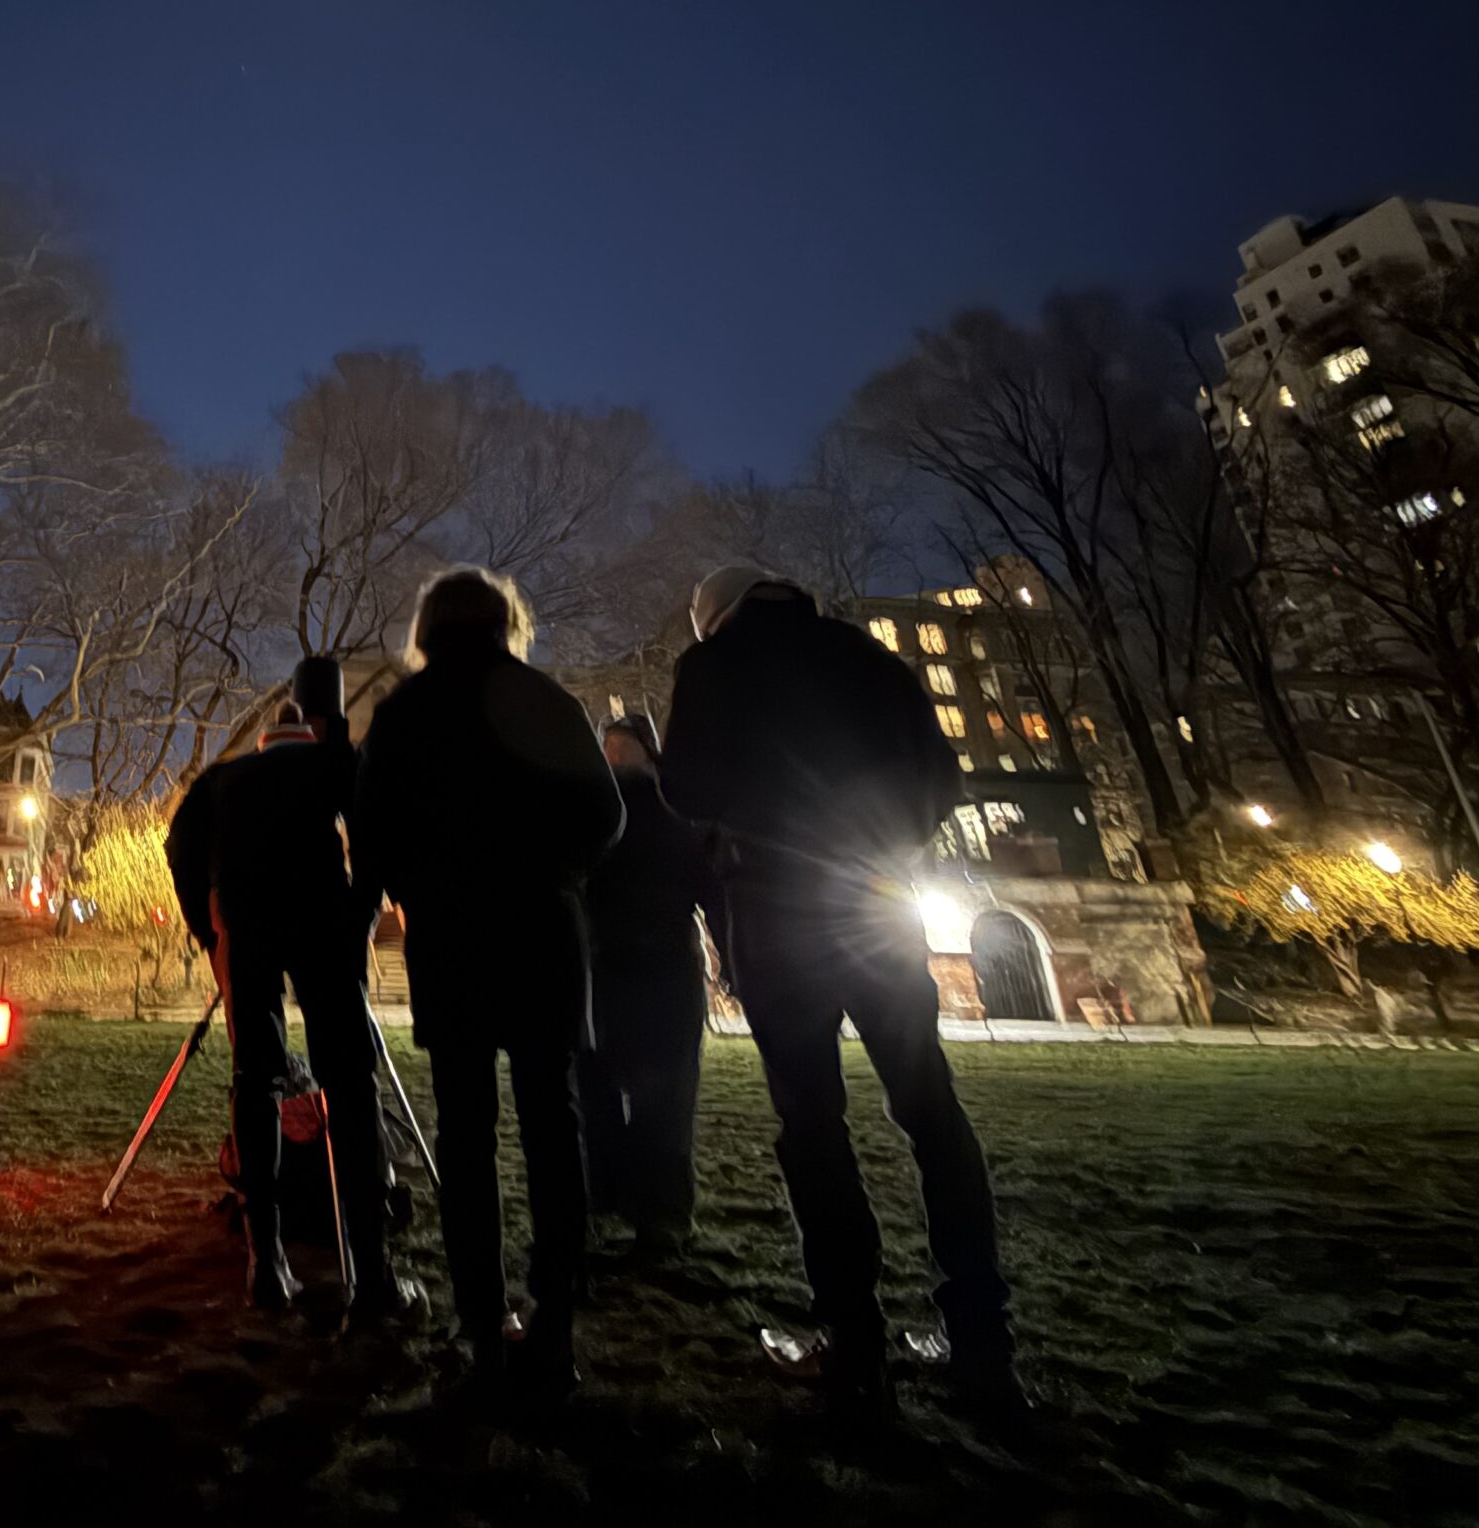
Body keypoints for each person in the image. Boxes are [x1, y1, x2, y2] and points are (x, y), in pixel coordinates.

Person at [660, 564, 1020, 1418]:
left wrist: (744, 830)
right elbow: (942, 779)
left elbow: (684, 788)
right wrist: (884, 841)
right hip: (874, 899)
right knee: (931, 1107)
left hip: (776, 908)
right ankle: (980, 1338)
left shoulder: (712, 668)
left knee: (812, 1123)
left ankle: (852, 1341)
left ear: (714, 619)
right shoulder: (868, 658)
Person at [352, 568, 623, 1394]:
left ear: (428, 627)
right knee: (552, 1120)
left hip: (452, 934)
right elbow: (607, 816)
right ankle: (556, 1320)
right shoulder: (546, 700)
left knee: (465, 1133)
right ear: (507, 621)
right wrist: (560, 873)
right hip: (544, 929)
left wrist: (406, 889)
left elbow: (370, 832)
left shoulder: (403, 714)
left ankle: (481, 1322)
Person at [168, 662, 424, 1324]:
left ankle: (267, 1264)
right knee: (349, 1080)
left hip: (245, 927)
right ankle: (370, 1274)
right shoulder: (335, 767)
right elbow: (378, 838)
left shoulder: (223, 780)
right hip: (322, 924)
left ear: (263, 742)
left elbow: (180, 847)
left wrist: (208, 928)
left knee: (256, 1080)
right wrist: (362, 913)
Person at [578, 711, 719, 1263]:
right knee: (623, 1095)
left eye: (621, 746)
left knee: (649, 1096)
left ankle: (647, 1210)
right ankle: (637, 1206)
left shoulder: (646, 809)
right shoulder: (661, 809)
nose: (613, 756)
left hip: (642, 968)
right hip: (626, 967)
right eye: (607, 746)